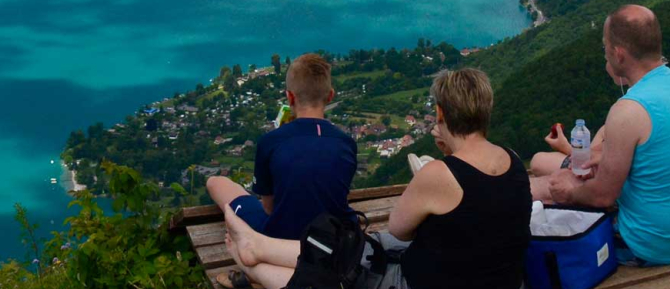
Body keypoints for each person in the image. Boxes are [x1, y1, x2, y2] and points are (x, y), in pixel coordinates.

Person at [220, 68, 530, 289]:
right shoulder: (512, 159)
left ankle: (256, 259)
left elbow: (400, 229)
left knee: (347, 262)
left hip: (416, 282)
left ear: (439, 113)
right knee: (357, 248)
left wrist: (444, 159)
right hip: (501, 280)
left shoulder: (441, 173)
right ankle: (257, 248)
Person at [530, 4, 670, 266]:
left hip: (651, 243)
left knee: (546, 188)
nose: (605, 54)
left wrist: (567, 192)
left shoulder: (628, 110)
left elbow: (602, 197)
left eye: (605, 48)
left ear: (619, 55)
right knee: (551, 166)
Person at [206, 54, 358, 240]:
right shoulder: (346, 143)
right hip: (335, 234)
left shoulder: (271, 141)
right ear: (330, 95)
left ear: (290, 97)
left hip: (281, 235)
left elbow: (268, 208)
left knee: (215, 183)